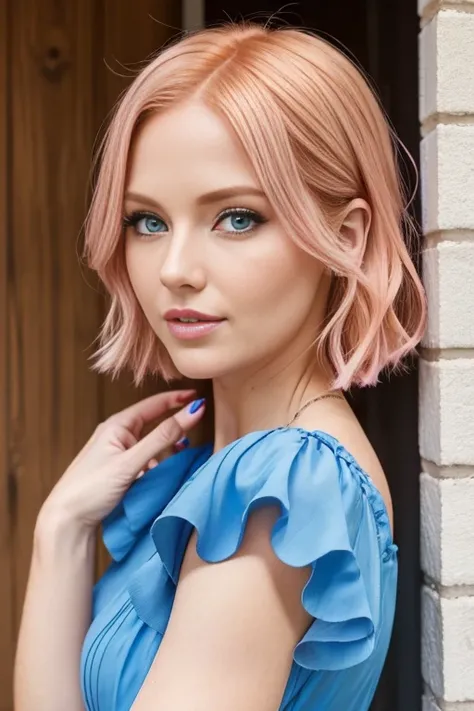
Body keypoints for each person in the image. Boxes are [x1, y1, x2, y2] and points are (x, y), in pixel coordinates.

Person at [14, 21, 426, 711]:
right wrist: (61, 528)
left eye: (236, 217)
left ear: (342, 237)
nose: (174, 270)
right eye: (147, 221)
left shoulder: (282, 492)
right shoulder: (224, 471)